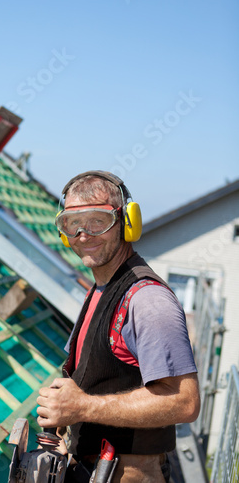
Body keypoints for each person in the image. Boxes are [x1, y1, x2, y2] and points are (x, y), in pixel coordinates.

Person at [37, 171, 200, 482]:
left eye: (98, 220)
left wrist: (83, 407)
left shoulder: (148, 300)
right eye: (72, 223)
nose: (83, 234)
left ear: (127, 222)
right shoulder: (99, 288)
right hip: (92, 468)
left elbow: (184, 401)